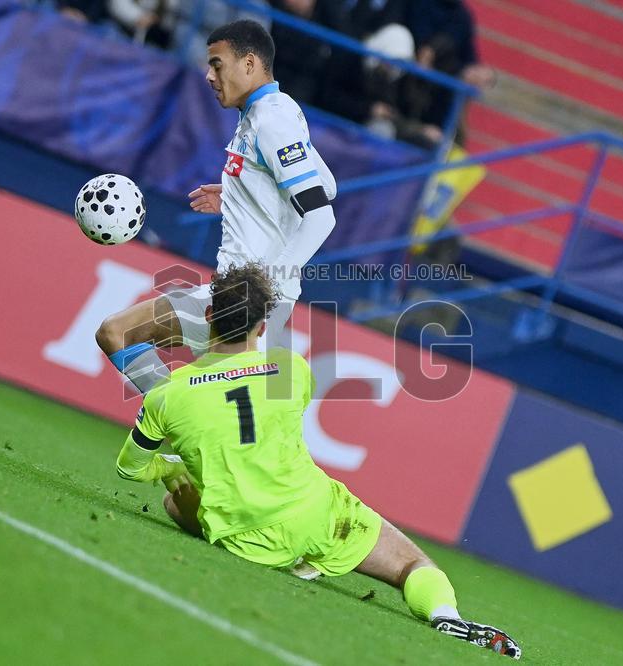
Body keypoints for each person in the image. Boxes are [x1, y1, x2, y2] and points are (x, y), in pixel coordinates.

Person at [115, 262, 522, 659]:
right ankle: (444, 614)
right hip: (318, 511)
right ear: (261, 326)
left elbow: (129, 469)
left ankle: (290, 554)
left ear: (207, 316)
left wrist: (171, 467)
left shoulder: (168, 394)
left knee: (175, 500)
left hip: (247, 534)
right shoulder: (291, 369)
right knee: (411, 563)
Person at [95, 20, 338, 396]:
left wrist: (262, 291)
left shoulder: (271, 121)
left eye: (217, 64)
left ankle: (171, 422)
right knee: (120, 335)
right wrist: (243, 196)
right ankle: (177, 427)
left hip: (249, 302)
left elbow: (322, 215)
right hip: (238, 294)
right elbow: (329, 185)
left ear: (249, 63)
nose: (209, 75)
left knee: (118, 334)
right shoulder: (272, 111)